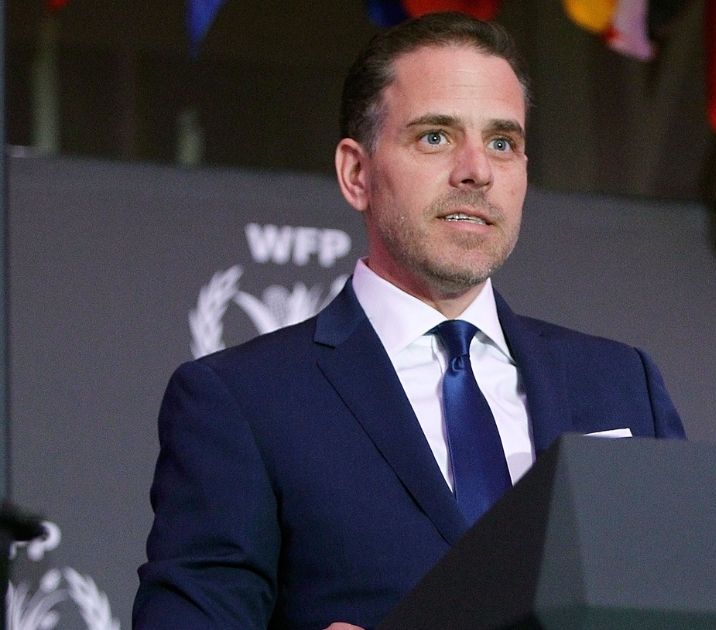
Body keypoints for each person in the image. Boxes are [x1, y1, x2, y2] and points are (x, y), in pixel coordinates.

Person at [132, 11, 685, 630]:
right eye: (435, 137)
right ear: (356, 173)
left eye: (503, 142)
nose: (477, 170)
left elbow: (695, 599)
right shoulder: (242, 402)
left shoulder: (619, 382)